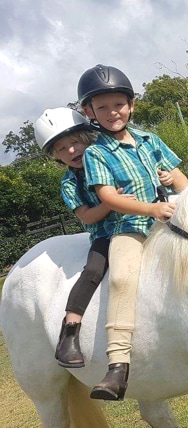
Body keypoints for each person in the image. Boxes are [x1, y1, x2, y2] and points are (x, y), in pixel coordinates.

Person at [78, 64, 188, 400]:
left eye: (118, 104)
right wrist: (151, 209)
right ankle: (118, 364)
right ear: (89, 112)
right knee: (122, 278)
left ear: (131, 105)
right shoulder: (95, 153)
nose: (112, 112)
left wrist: (177, 185)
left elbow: (182, 179)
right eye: (102, 107)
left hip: (169, 215)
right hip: (128, 227)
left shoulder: (150, 139)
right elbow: (108, 198)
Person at [33, 107, 142, 368]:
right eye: (61, 149)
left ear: (87, 137)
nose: (71, 151)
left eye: (75, 142)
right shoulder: (69, 184)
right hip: (106, 231)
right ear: (56, 157)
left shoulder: (108, 158)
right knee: (93, 269)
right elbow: (87, 217)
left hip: (139, 220)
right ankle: (70, 330)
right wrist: (110, 202)